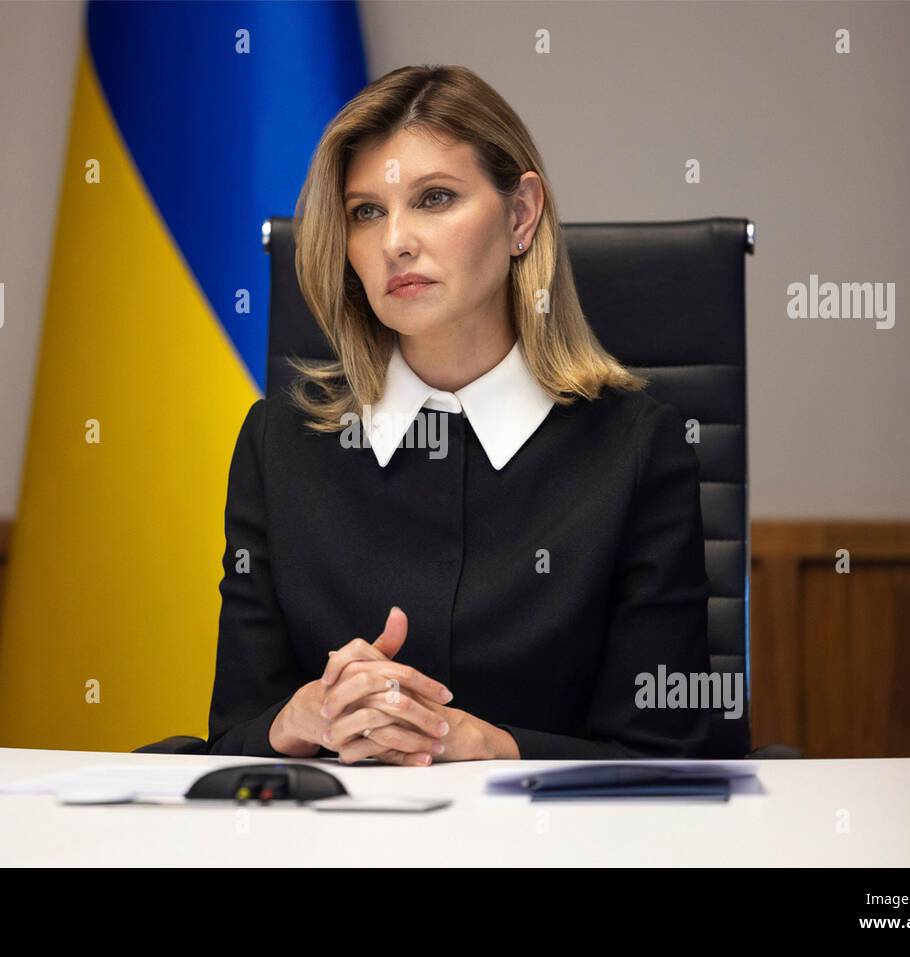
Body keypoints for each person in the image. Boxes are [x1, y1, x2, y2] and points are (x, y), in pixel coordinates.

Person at [206, 64, 712, 764]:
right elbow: (231, 738)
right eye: (367, 212)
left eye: (435, 198)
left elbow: (671, 757)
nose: (395, 243)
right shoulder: (279, 445)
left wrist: (491, 745)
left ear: (521, 215)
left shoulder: (637, 451)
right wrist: (298, 718)